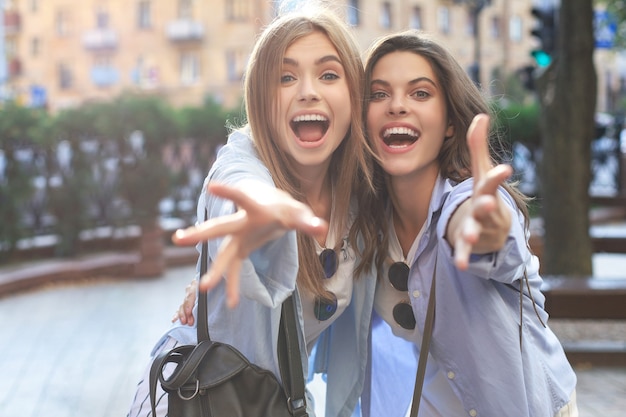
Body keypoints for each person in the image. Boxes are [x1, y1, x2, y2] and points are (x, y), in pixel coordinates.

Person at [127, 8, 383, 417]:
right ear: (261, 100)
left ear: (355, 95)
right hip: (213, 400)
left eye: (329, 74)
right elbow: (242, 188)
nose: (308, 91)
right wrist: (268, 213)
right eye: (285, 77)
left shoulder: (360, 193)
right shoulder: (240, 162)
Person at [362, 31, 578, 417]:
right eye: (378, 94)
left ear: (449, 122)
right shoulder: (363, 226)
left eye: (420, 93)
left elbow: (487, 232)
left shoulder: (468, 201)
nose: (397, 105)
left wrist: (482, 231)